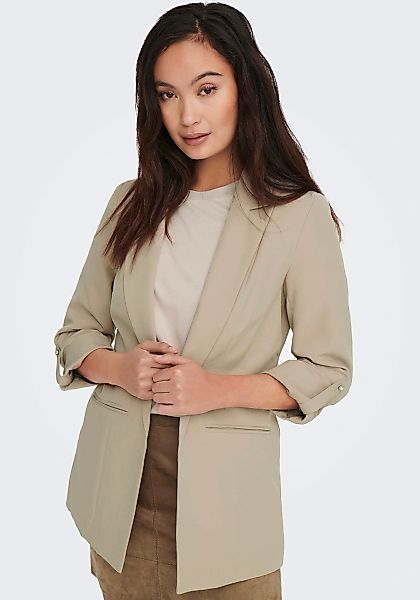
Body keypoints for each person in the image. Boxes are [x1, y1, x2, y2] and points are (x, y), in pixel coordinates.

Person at [53, 2, 353, 598]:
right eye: (167, 95)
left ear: (246, 86)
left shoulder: (298, 216)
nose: (187, 115)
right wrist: (121, 367)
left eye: (206, 89)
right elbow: (74, 335)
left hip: (228, 512)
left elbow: (329, 369)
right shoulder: (130, 204)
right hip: (119, 500)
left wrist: (217, 388)